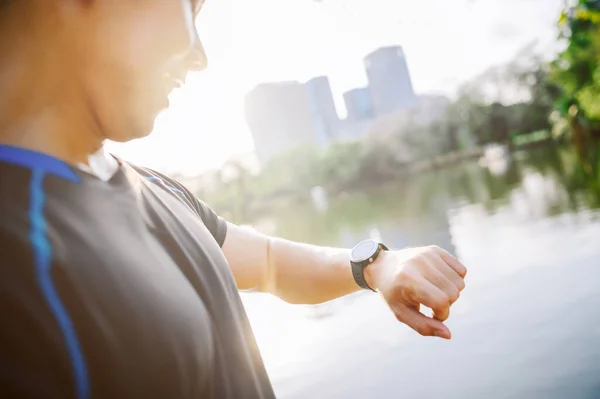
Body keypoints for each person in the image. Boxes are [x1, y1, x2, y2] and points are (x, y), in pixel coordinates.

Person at [0, 1, 467, 398]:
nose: (198, 56)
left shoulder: (156, 188)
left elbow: (269, 263)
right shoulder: (17, 261)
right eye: (189, 5)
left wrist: (375, 265)